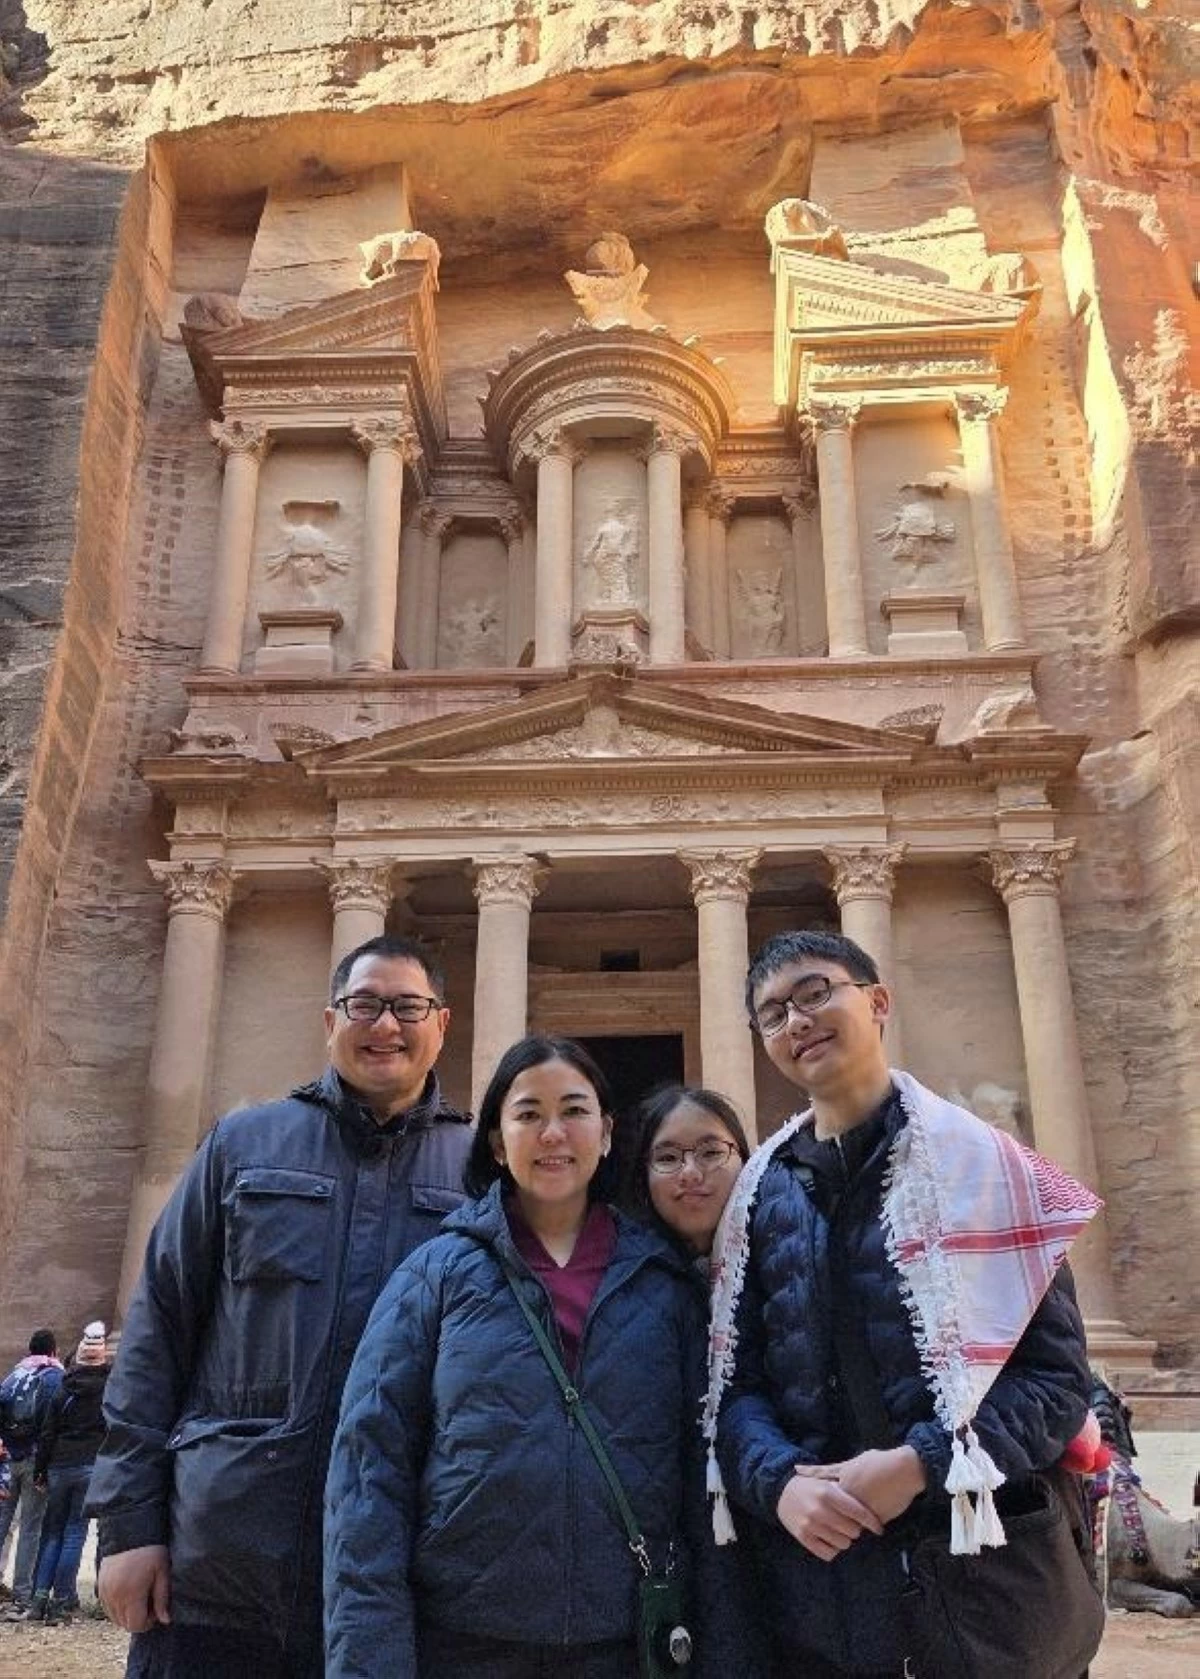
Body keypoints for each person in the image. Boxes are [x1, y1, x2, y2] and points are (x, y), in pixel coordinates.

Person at [706, 930, 1101, 1679]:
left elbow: (1056, 1386)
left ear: (879, 1001)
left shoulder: (993, 1167)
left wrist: (923, 1463)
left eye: (816, 992)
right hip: (827, 1603)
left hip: (990, 1600)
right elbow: (735, 1388)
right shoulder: (759, 1196)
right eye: (772, 1012)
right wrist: (780, 1481)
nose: (796, 1020)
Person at [87, 934, 473, 1679]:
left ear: (442, 1023)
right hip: (221, 1561)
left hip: (397, 1567)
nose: (384, 1024)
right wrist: (128, 1527)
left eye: (406, 1006)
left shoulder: (482, 1171)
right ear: (331, 1021)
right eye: (364, 1004)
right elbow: (158, 1331)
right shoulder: (243, 1144)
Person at [325, 1035, 732, 1679]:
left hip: (628, 1644)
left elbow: (702, 1481)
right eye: (527, 1113)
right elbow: (367, 1475)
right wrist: (367, 1662)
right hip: (465, 1642)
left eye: (574, 1110)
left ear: (606, 1134)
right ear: (495, 1141)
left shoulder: (663, 1281)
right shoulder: (435, 1275)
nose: (553, 1133)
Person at [22, 1322, 112, 1623]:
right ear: (101, 1359)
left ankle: (38, 1600)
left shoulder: (63, 1387)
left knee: (51, 1532)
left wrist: (40, 1470)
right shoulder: (111, 1390)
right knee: (75, 1533)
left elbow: (48, 1432)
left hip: (59, 1465)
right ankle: (62, 1601)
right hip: (90, 1466)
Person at [622, 1085, 749, 1262]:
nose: (690, 1173)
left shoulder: (784, 1247)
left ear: (746, 1160)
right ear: (644, 1177)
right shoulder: (620, 1275)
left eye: (711, 1153)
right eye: (667, 1158)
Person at [0, 1328, 64, 1616]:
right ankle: (22, 1594)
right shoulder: (54, 1378)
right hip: (36, 1460)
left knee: (2, 1523)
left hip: (8, 1458)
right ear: (53, 1350)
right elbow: (53, 1425)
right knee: (30, 1528)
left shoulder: (14, 1376)